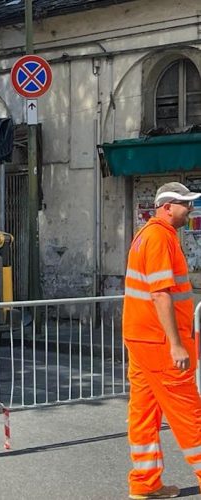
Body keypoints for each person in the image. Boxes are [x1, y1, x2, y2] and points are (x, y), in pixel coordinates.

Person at [123, 181, 201, 499]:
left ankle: (145, 483)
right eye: (185, 203)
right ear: (167, 206)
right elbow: (160, 295)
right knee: (189, 412)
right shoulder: (158, 238)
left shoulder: (149, 236)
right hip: (159, 343)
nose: (190, 209)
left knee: (144, 412)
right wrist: (177, 344)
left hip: (142, 340)